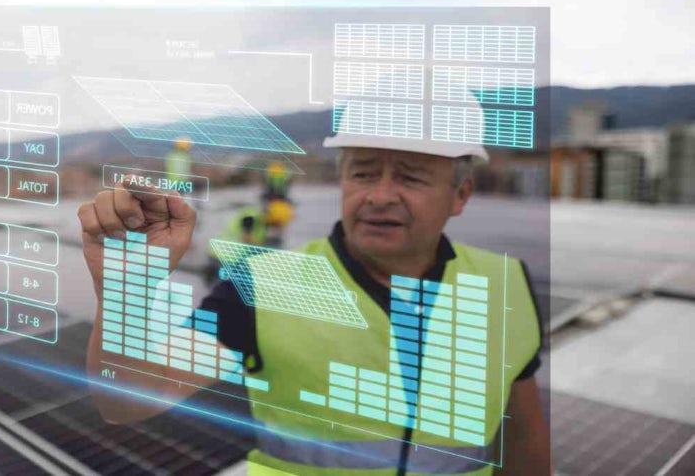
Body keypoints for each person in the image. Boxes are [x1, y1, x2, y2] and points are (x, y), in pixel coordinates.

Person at [78, 135, 551, 475]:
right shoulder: (264, 282)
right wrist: (125, 295)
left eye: (410, 177)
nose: (380, 195)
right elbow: (127, 400)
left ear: (460, 195)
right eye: (362, 172)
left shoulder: (502, 283)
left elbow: (524, 435)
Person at [204, 197, 295, 284]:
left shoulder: (263, 223)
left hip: (232, 258)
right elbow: (247, 239)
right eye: (278, 224)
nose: (278, 227)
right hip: (223, 257)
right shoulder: (251, 218)